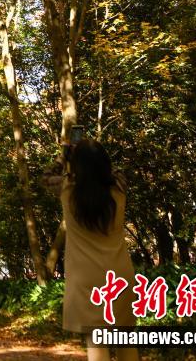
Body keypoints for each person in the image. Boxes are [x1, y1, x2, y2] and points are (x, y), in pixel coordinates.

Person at [52, 139, 138, 361]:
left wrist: (64, 158)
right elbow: (115, 171)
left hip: (86, 280)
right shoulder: (119, 189)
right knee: (126, 340)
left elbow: (45, 178)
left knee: (97, 343)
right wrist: (91, 153)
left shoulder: (68, 192)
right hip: (119, 276)